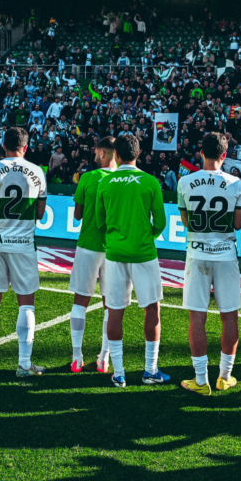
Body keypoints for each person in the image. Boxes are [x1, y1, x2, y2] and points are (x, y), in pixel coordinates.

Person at [0, 126, 48, 377]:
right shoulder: (37, 172)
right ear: (25, 147)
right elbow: (39, 214)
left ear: (3, 145)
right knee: (26, 302)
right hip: (23, 244)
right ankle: (24, 364)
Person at [95, 134, 167, 388]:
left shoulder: (106, 182)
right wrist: (145, 238)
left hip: (115, 254)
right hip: (144, 254)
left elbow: (99, 222)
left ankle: (119, 372)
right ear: (139, 154)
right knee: (152, 309)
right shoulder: (149, 182)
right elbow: (160, 222)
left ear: (116, 155)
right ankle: (150, 371)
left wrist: (114, 240)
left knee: (115, 310)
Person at [177, 132, 241, 396]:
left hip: (197, 254)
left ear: (201, 153)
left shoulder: (185, 181)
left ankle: (200, 379)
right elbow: (238, 225)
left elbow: (185, 221)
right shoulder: (235, 183)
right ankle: (224, 377)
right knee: (229, 317)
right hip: (226, 254)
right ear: (225, 155)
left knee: (197, 317)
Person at [67, 136, 116, 373]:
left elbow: (77, 215)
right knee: (111, 305)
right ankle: (104, 359)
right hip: (115, 249)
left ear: (103, 153)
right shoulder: (124, 179)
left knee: (80, 302)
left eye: (96, 152)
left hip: (88, 245)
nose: (94, 156)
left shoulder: (87, 178)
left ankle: (77, 358)